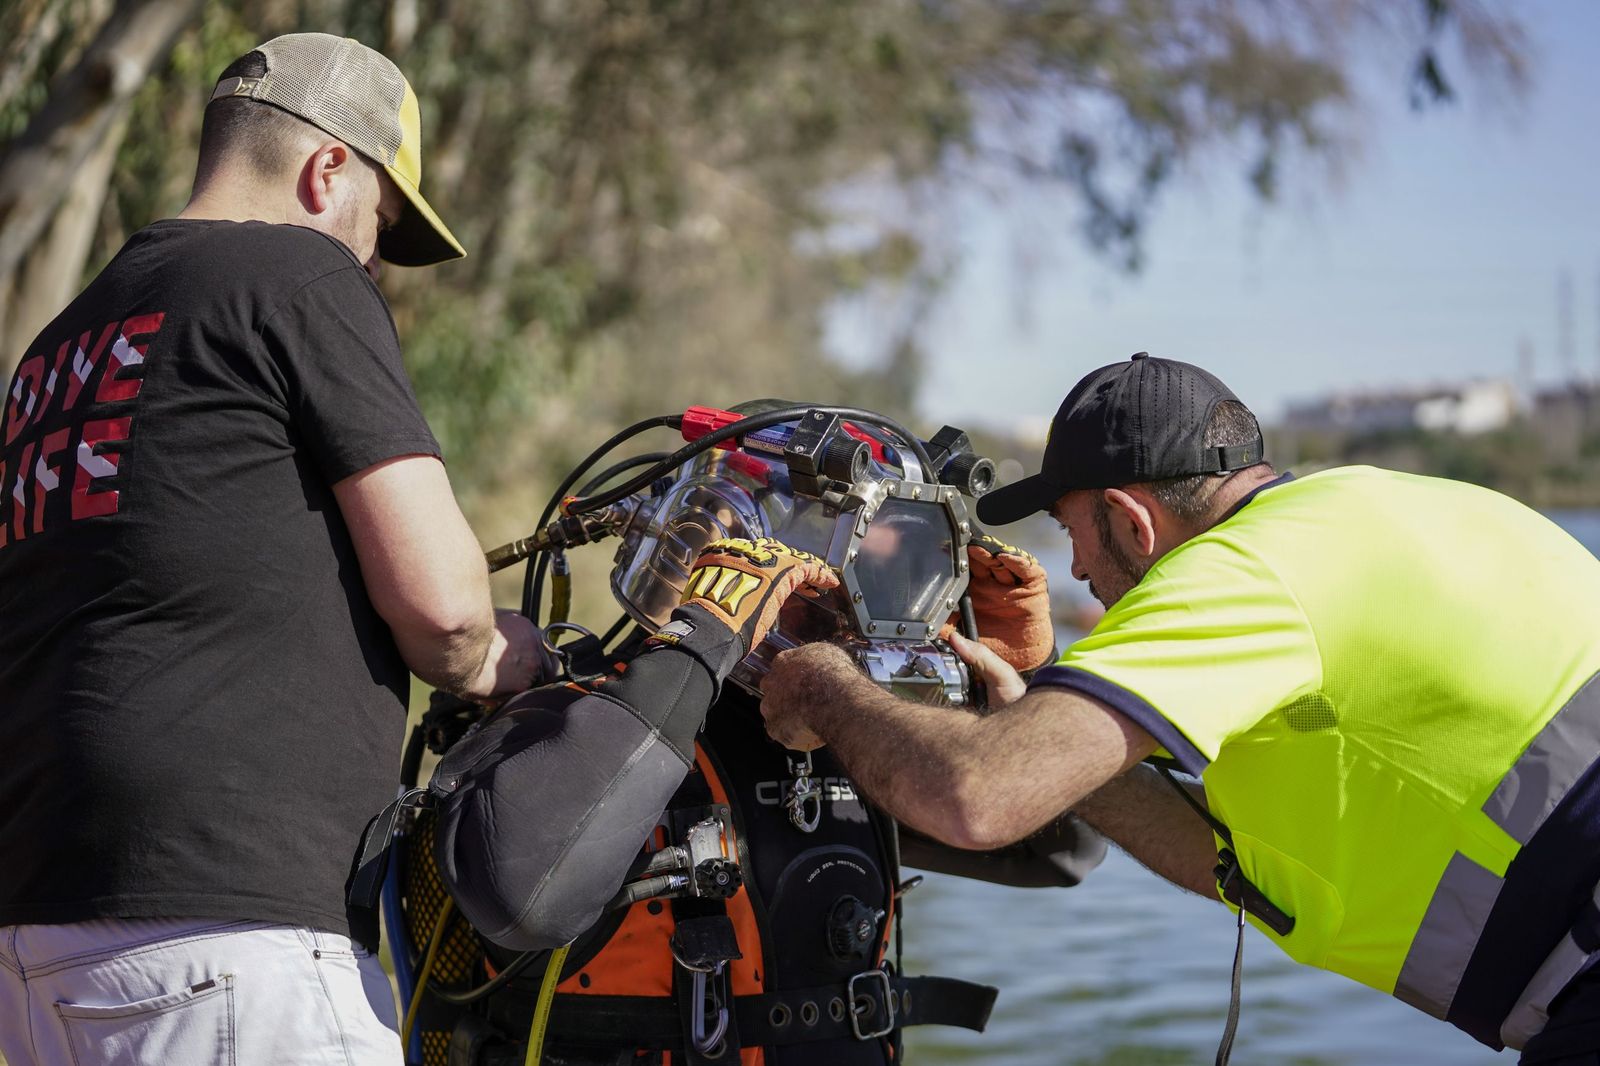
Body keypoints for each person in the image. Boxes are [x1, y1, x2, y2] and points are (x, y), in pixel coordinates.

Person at [760, 352, 1600, 1064]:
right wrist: (1040, 717)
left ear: (1131, 518)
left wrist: (815, 680)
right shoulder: (1386, 508)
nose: (1077, 567)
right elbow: (1224, 861)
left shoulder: (1247, 573)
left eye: (1071, 527)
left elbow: (974, 798)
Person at [0, 33, 546, 1066]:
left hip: (35, 941)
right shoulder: (296, 272)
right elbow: (445, 614)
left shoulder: (60, 343)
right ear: (326, 167)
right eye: (378, 222)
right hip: (224, 943)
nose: (371, 255)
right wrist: (504, 664)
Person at [398, 414, 1105, 1066]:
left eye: (899, 573)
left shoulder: (856, 740)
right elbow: (525, 898)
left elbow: (1065, 852)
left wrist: (1022, 693)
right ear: (741, 558)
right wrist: (703, 643)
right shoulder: (574, 721)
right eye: (841, 570)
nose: (860, 607)